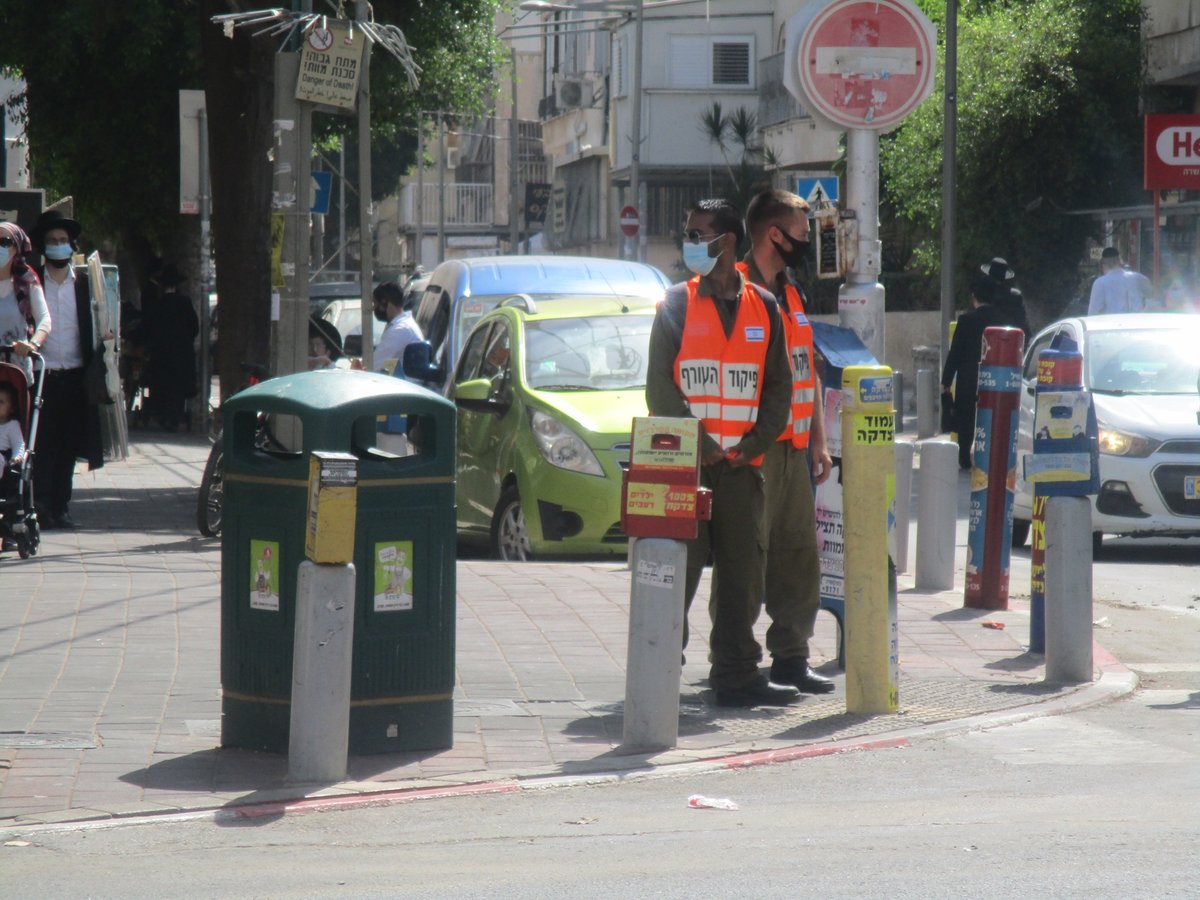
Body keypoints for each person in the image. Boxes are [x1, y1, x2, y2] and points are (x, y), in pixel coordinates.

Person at [645, 198, 796, 708]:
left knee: (741, 576)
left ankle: (735, 673)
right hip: (687, 466)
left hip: (742, 467)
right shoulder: (675, 304)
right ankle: (660, 666)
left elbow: (779, 389)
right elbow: (659, 389)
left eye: (697, 233)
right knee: (675, 572)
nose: (689, 241)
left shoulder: (766, 307)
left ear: (727, 242)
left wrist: (751, 445)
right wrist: (702, 444)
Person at [740, 188, 835, 694]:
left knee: (797, 555)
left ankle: (791, 658)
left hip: (793, 447)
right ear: (774, 234)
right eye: (801, 234)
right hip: (752, 448)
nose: (807, 244)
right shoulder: (733, 290)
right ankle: (735, 662)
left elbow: (808, 374)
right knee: (747, 558)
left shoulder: (792, 293)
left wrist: (817, 441)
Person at [29, 210, 104, 530]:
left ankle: (61, 506)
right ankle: (40, 504)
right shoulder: (32, 282)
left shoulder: (86, 284)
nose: (58, 246)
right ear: (43, 247)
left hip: (76, 375)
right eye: (52, 241)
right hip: (41, 375)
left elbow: (102, 322)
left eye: (63, 241)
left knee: (69, 445)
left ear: (72, 246)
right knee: (41, 444)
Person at [941, 273, 999, 470]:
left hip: (969, 378)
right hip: (995, 378)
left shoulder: (966, 320)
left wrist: (946, 381)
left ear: (974, 296)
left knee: (966, 420)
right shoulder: (1001, 320)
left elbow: (955, 353)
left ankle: (965, 457)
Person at [143, 262, 199, 430]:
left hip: (161, 355)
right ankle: (174, 417)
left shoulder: (157, 305)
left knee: (161, 385)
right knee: (178, 388)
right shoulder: (185, 303)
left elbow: (148, 328)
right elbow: (194, 327)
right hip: (182, 355)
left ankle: (161, 415)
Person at [0, 221, 50, 383]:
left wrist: (32, 344)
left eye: (5, 242)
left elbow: (45, 319)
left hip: (16, 374)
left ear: (16, 248)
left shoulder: (27, 282)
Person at [372, 280, 424, 373]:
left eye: (375, 304)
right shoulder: (401, 325)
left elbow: (373, 365)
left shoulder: (400, 330)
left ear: (385, 303)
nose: (373, 308)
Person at [1088, 246, 1144, 315]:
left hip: (1111, 324)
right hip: (1136, 323)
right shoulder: (1137, 278)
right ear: (1119, 262)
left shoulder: (1100, 283)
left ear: (1104, 264)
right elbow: (1152, 298)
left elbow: (1093, 312)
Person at [0, 382, 25, 465]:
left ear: (12, 408)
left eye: (1, 402)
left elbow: (18, 444)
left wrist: (16, 457)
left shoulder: (12, 425)